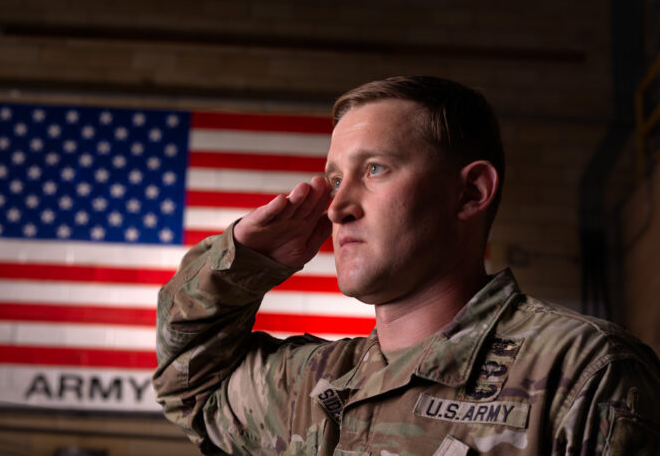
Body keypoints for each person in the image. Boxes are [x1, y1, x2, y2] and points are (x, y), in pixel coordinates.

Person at [153, 76, 660, 455]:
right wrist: (243, 260)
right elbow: (188, 385)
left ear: (470, 192)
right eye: (334, 180)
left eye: (375, 169)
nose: (336, 207)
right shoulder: (310, 387)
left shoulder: (580, 372)